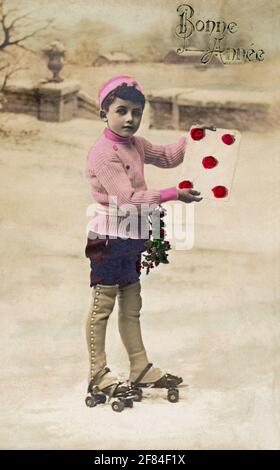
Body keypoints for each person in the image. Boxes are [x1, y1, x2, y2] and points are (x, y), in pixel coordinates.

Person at [84, 75, 202, 400]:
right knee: (102, 306)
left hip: (131, 237)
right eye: (121, 111)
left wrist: (194, 138)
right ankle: (97, 373)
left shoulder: (135, 144)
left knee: (132, 304)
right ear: (103, 113)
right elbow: (128, 200)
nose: (130, 119)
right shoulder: (102, 154)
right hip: (106, 238)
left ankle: (139, 367)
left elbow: (166, 156)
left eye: (136, 112)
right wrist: (174, 193)